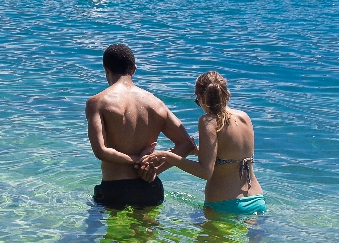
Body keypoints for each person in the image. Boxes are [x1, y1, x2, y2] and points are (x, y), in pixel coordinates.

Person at [140, 71, 266, 216]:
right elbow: (229, 156)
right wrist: (196, 151)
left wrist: (167, 156)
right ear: (227, 95)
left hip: (226, 204)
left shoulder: (208, 122)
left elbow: (205, 171)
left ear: (201, 99)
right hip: (257, 199)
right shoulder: (244, 117)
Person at [85, 43, 195, 208]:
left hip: (115, 189)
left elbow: (100, 151)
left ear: (106, 69)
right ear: (134, 69)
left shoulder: (98, 102)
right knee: (148, 233)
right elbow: (187, 144)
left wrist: (134, 160)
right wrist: (154, 169)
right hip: (150, 189)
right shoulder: (156, 104)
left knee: (112, 234)